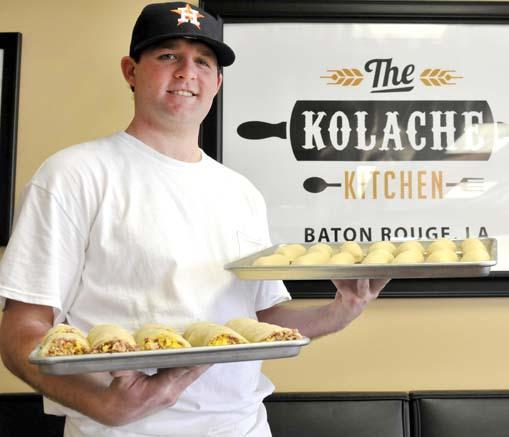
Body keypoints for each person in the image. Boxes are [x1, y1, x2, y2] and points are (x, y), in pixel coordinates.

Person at [0, 3, 388, 436]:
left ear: (217, 82)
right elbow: (22, 329)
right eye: (168, 56)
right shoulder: (74, 174)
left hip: (243, 427)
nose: (187, 72)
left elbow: (260, 321)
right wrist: (102, 405)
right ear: (131, 71)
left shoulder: (241, 192)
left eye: (203, 61)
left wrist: (341, 311)